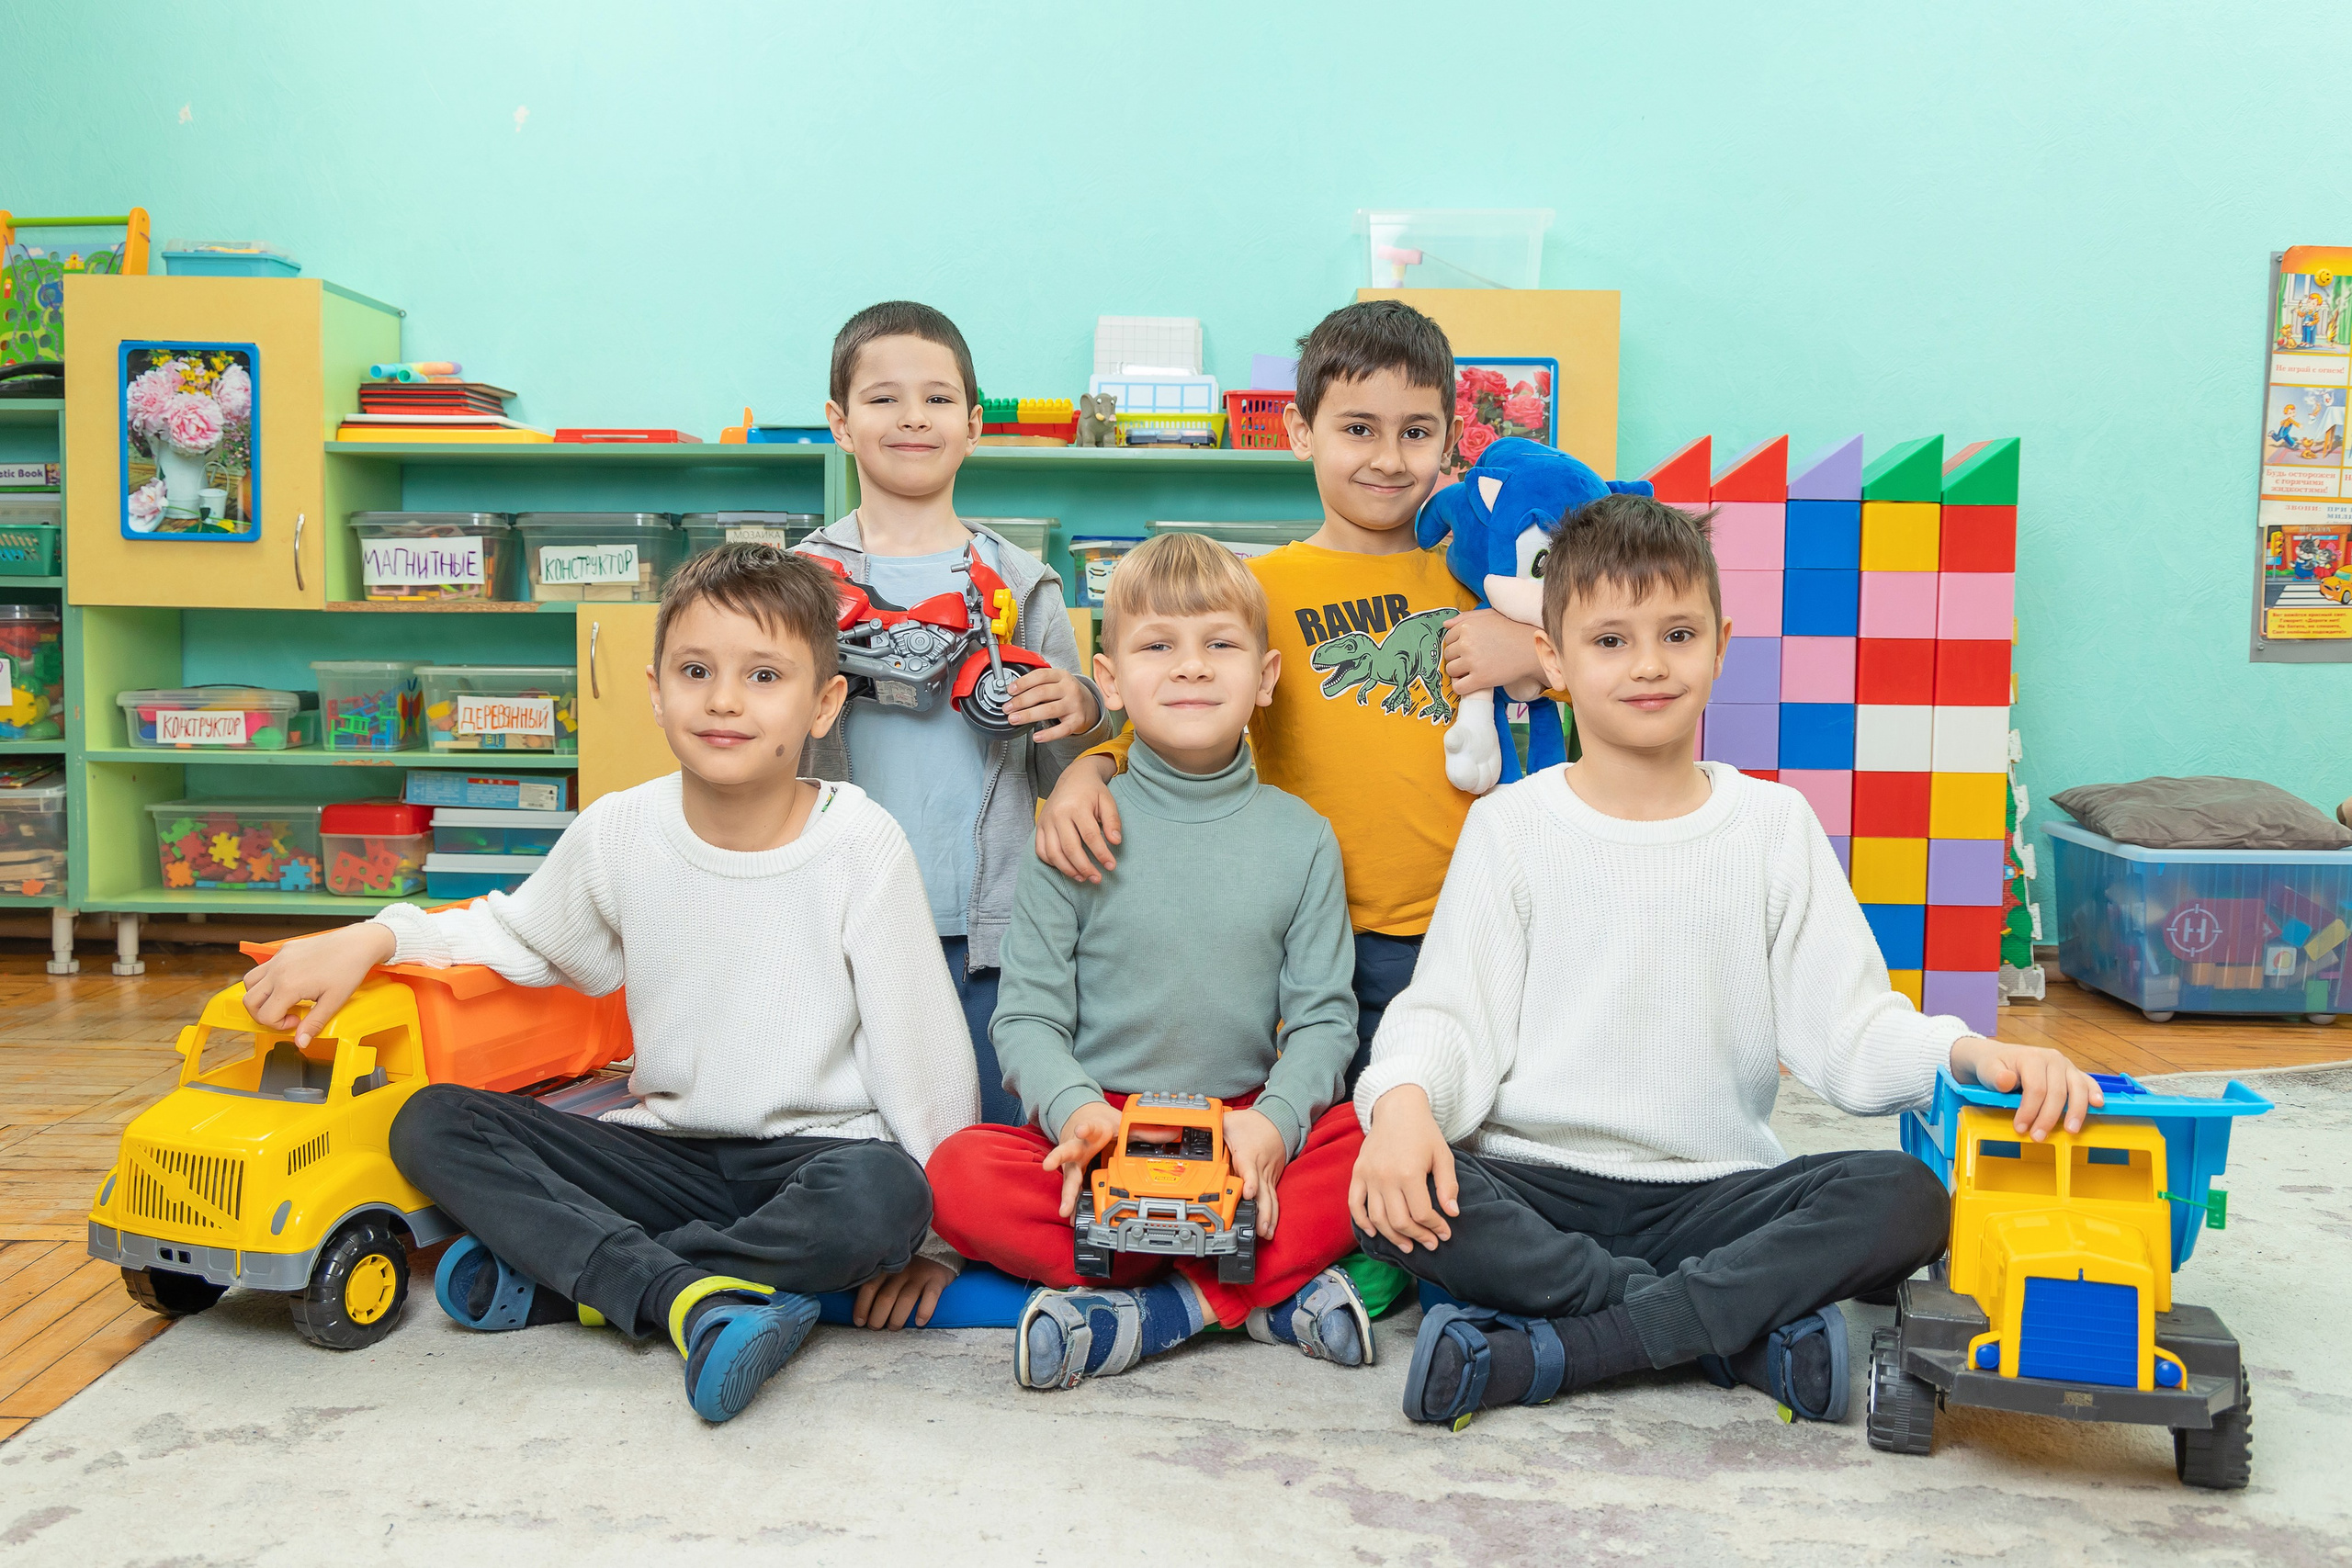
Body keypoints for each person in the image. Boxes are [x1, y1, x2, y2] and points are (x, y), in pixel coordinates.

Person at [1347, 491, 2106, 1428]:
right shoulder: (1511, 825)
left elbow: (1851, 1029)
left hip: (1715, 1192)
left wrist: (1965, 1053)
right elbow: (1447, 1015)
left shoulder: (1770, 825)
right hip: (1538, 1182)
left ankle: (1567, 1349)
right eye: (1611, 641)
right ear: (1552, 658)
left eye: (1677, 633)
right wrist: (1403, 1107)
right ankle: (1735, 1331)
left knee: (1905, 1197)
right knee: (1384, 1185)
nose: (1649, 666)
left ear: (1720, 641)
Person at [240, 545, 980, 1425]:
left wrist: (936, 1237)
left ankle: (606, 1283)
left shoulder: (860, 840)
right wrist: (374, 935)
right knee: (431, 1121)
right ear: (656, 688)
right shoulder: (622, 830)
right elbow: (513, 935)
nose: (724, 700)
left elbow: (923, 1049)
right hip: (662, 1150)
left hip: (819, 1158)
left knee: (881, 1201)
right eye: (696, 670)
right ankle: (698, 1297)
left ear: (824, 704)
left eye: (764, 675)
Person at [1032, 300, 1552, 1082]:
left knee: (1466, 1132)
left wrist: (1535, 650)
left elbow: (1620, 672)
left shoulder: (1481, 577)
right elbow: (1179, 712)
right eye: (1357, 428)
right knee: (1332, 1141)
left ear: (1449, 440)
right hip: (1306, 935)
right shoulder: (1256, 591)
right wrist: (1087, 768)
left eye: (1416, 431)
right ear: (1300, 432)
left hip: (1472, 924)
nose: (1388, 456)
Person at [926, 533, 1373, 1389]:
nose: (1191, 668)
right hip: (1106, 1135)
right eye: (1158, 645)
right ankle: (1258, 1287)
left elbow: (1323, 1019)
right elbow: (1025, 1016)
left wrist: (1274, 1126)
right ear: (1111, 677)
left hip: (1241, 1134)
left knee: (1375, 1136)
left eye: (1220, 644)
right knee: (956, 1175)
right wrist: (1076, 1113)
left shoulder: (1303, 838)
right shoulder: (1075, 824)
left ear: (1267, 676)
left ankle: (1161, 1309)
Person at [797, 300, 1120, 1126]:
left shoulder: (1025, 583)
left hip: (986, 937)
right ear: (840, 422)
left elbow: (1066, 765)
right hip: (832, 921)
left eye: (937, 399)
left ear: (973, 425)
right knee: (853, 1128)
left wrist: (1081, 709)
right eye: (883, 398)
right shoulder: (794, 585)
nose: (912, 416)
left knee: (984, 1133)